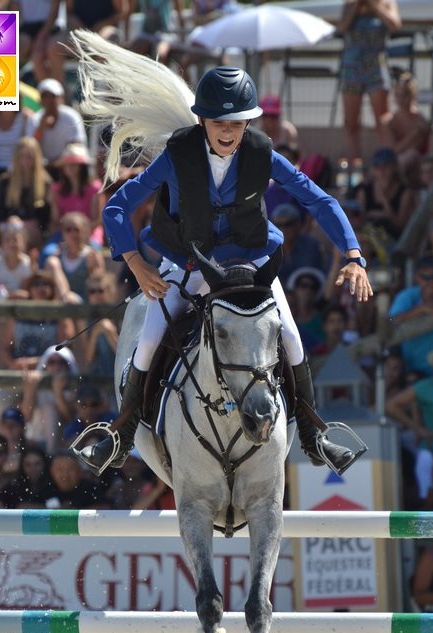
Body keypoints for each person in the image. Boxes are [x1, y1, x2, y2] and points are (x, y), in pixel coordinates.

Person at [70, 50, 372, 476]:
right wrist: (136, 263)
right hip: (191, 266)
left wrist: (354, 254)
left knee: (289, 336)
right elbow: (118, 207)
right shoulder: (178, 155)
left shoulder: (262, 153)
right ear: (202, 122)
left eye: (236, 123)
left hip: (252, 268)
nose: (228, 132)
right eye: (219, 123)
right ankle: (120, 435)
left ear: (247, 122)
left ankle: (313, 433)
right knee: (151, 339)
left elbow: (318, 199)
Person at [385, 338, 433, 506]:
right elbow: (391, 406)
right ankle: (426, 507)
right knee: (424, 460)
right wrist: (418, 428)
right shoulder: (425, 387)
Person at [337, 0, 402, 160]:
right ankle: (355, 166)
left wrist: (374, 5)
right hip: (352, 67)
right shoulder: (349, 4)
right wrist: (357, 6)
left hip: (376, 66)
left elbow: (395, 25)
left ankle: (386, 161)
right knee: (351, 123)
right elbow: (342, 28)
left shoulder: (387, 3)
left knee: (382, 121)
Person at [387, 256, 433, 379]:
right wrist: (419, 310)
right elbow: (389, 321)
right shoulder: (407, 296)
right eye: (425, 277)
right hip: (414, 371)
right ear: (417, 278)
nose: (431, 282)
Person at [30, 79, 88, 176]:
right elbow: (30, 148)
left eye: (53, 96)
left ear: (61, 98)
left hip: (67, 166)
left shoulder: (71, 116)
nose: (49, 100)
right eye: (45, 96)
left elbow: (77, 145)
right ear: (40, 99)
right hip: (42, 168)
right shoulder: (34, 119)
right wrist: (41, 128)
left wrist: (58, 163)